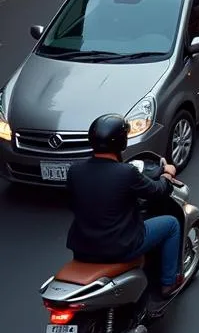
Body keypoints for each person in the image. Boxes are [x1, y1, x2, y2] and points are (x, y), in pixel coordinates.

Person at [66, 114, 182, 302]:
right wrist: (167, 175)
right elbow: (158, 191)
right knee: (171, 224)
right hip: (120, 247)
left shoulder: (75, 170)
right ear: (121, 141)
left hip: (82, 248)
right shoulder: (126, 173)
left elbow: (73, 204)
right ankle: (168, 283)